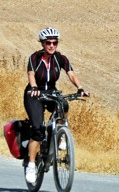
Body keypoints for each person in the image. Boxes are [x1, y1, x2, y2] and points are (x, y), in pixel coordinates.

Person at [24, 27, 89, 183]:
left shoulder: (61, 58)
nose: (51, 45)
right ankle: (31, 164)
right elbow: (31, 74)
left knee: (64, 106)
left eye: (55, 42)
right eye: (48, 43)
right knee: (38, 130)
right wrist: (33, 88)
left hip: (51, 92)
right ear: (43, 43)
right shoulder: (35, 58)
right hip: (35, 95)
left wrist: (79, 88)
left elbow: (71, 74)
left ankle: (60, 134)